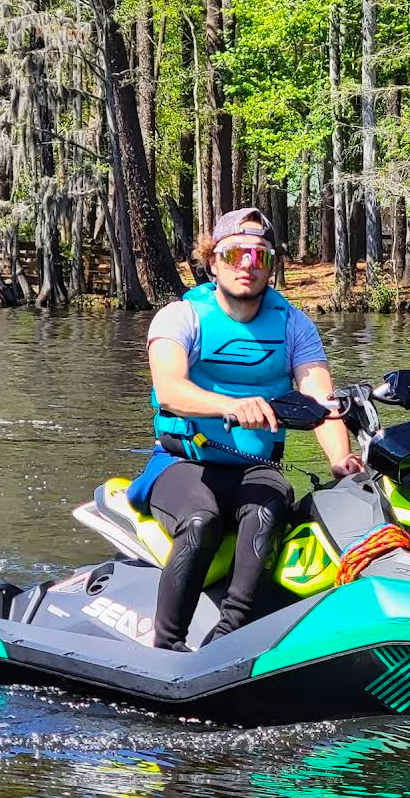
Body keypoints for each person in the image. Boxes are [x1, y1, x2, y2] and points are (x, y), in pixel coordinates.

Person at [127, 207, 363, 651]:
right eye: (235, 254)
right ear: (213, 260)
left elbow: (321, 402)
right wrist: (233, 405)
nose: (247, 266)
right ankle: (167, 646)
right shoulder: (181, 317)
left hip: (255, 467)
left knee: (268, 510)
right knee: (202, 521)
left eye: (260, 256)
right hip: (182, 463)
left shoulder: (294, 324)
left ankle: (229, 641)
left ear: (271, 266)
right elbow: (171, 389)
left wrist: (340, 461)